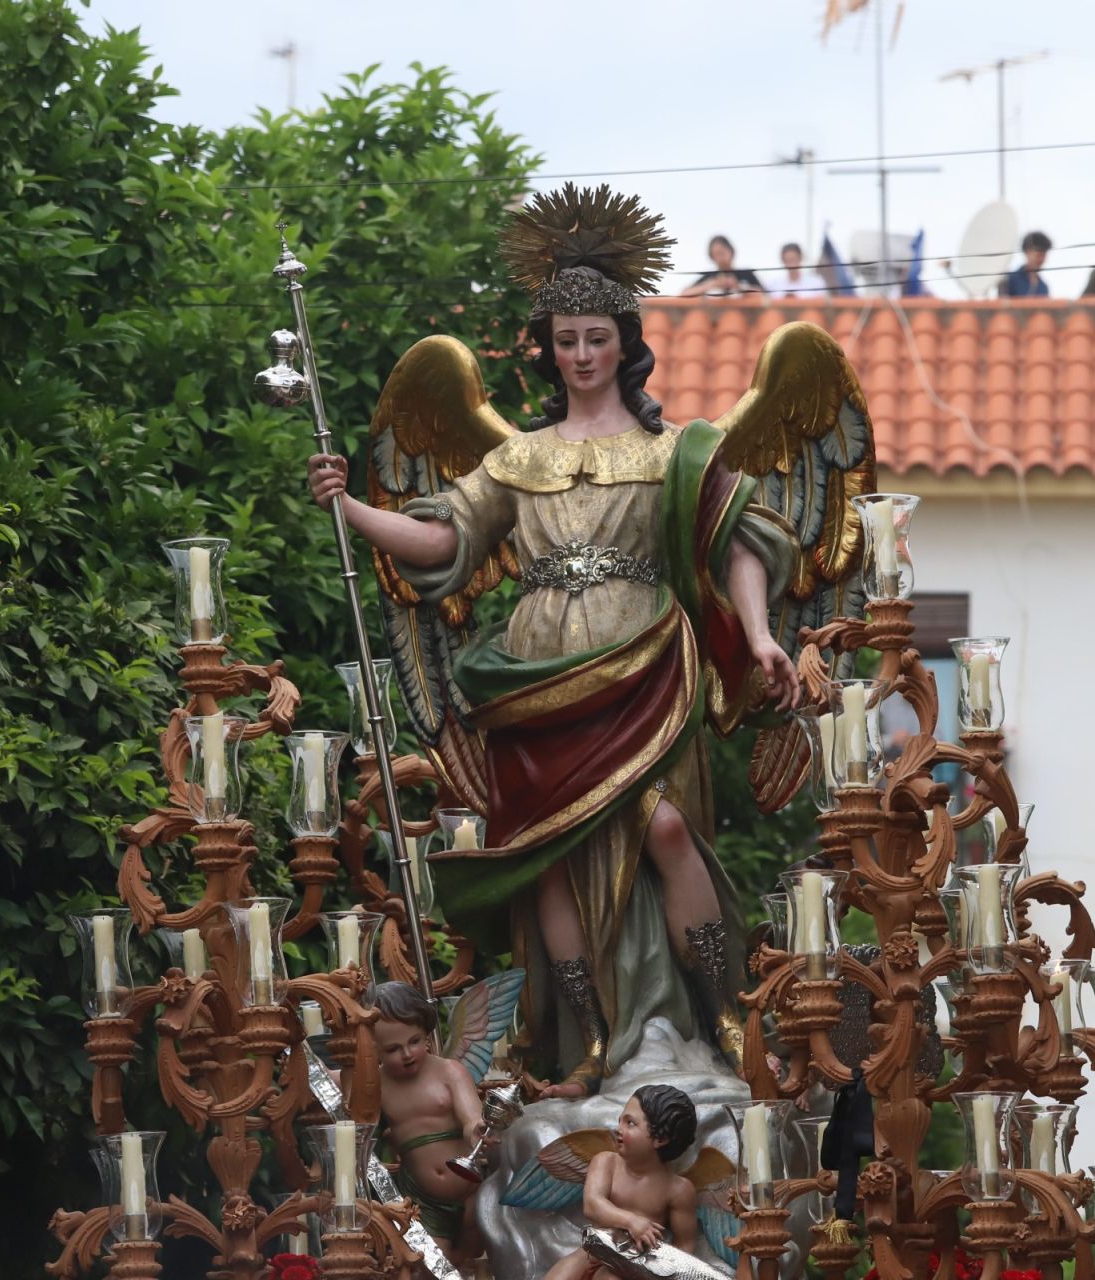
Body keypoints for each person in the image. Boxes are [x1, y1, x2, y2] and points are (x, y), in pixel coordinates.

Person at [308, 186, 801, 1099]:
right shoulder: (516, 458)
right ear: (547, 348)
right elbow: (446, 544)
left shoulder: (678, 450)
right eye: (564, 340)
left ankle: (722, 1006)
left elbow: (742, 546)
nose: (579, 355)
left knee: (665, 828)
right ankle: (580, 1042)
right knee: (550, 860)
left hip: (646, 662)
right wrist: (353, 507)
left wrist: (763, 636)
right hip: (536, 674)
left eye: (596, 339)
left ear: (626, 344)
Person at [367, 982, 488, 1250]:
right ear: (373, 1048)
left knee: (476, 1255)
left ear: (426, 1034)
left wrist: (476, 1129)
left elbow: (471, 1117)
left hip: (473, 1192)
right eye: (393, 1049)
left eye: (415, 1041)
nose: (407, 1054)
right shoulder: (376, 1083)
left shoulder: (449, 1072)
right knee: (431, 1265)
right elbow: (335, 1081)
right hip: (423, 1201)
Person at [539, 1085, 701, 1280]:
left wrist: (665, 1271)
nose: (619, 1130)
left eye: (630, 1123)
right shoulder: (606, 1162)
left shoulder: (678, 1189)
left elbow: (685, 1244)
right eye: (620, 1121)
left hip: (637, 1265)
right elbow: (593, 1205)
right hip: (595, 1251)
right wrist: (632, 1221)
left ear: (660, 1139)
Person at [678, 234, 764, 297]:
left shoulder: (746, 274)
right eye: (716, 255)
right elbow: (684, 294)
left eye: (722, 253)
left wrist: (738, 286)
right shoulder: (710, 276)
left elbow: (764, 294)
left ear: (731, 251)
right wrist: (711, 285)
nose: (720, 258)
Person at [999, 230, 1051, 298]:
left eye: (1043, 255)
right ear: (1027, 252)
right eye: (1039, 255)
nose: (1041, 259)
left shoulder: (1043, 287)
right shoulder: (1011, 279)